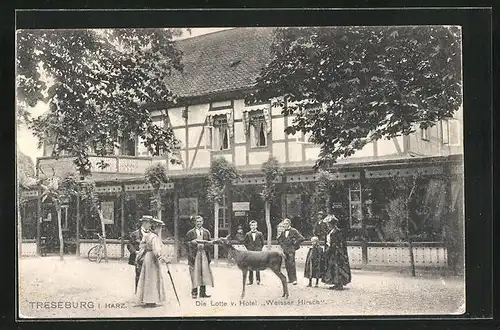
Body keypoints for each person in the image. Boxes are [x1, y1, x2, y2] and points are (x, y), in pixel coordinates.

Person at [135, 217, 171, 307]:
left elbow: (141, 246)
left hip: (147, 257)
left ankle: (147, 299)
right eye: (160, 228)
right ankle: (151, 300)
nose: (161, 229)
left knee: (147, 278)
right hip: (152, 259)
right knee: (152, 278)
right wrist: (163, 259)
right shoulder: (154, 237)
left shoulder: (147, 235)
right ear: (157, 228)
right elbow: (156, 251)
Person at [185, 215, 214, 299]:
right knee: (195, 274)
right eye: (197, 222)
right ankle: (194, 292)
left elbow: (210, 244)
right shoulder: (190, 233)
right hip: (194, 256)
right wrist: (191, 242)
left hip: (204, 255)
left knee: (204, 273)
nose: (199, 223)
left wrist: (206, 245)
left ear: (203, 222)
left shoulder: (206, 232)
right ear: (195, 222)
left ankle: (202, 293)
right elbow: (185, 244)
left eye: (200, 221)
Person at [322, 216, 351, 290]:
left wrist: (332, 249)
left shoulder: (337, 232)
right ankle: (335, 283)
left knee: (338, 268)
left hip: (337, 252)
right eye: (328, 224)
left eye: (329, 224)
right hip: (331, 252)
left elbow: (339, 243)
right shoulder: (330, 232)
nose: (328, 226)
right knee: (332, 268)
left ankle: (340, 284)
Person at [126, 215, 153, 293]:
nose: (150, 225)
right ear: (144, 223)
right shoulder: (135, 234)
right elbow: (129, 244)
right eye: (148, 223)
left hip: (149, 258)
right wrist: (135, 252)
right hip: (139, 258)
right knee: (139, 275)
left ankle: (147, 295)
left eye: (150, 223)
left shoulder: (153, 234)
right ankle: (138, 293)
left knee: (149, 276)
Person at [277, 218, 305, 285]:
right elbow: (279, 239)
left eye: (286, 224)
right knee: (287, 264)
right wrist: (282, 245)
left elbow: (301, 238)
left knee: (292, 264)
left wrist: (295, 244)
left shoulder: (294, 230)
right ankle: (290, 279)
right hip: (285, 250)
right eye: (284, 224)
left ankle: (294, 279)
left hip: (291, 250)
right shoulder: (283, 232)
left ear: (289, 224)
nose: (285, 225)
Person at [243, 220, 265, 285]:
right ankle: (250, 281)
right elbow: (245, 242)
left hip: (258, 252)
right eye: (252, 225)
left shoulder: (260, 234)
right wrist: (249, 249)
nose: (253, 227)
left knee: (258, 265)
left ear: (257, 226)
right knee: (250, 266)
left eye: (254, 225)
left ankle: (258, 280)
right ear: (250, 226)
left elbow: (262, 242)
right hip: (250, 252)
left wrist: (259, 249)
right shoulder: (248, 234)